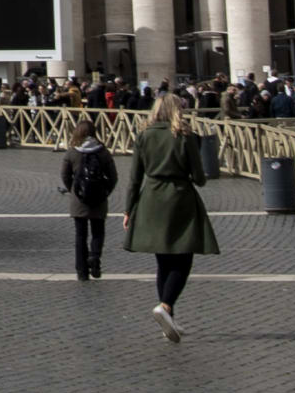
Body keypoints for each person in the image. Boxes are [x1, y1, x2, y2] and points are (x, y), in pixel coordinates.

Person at [119, 91, 219, 339]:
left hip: (151, 198)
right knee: (183, 258)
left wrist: (128, 209)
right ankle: (165, 307)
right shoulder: (184, 135)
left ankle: (168, 318)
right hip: (180, 198)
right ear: (178, 110)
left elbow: (134, 178)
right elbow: (199, 177)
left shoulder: (144, 135)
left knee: (163, 260)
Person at [58, 121, 116, 280]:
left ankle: (82, 272)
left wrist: (74, 191)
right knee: (98, 232)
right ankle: (95, 257)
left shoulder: (72, 152)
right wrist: (105, 192)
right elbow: (113, 177)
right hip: (99, 198)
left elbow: (64, 175)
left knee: (80, 235)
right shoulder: (103, 152)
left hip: (79, 200)